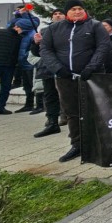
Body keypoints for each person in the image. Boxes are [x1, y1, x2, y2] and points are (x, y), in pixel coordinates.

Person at [40, 0, 110, 162]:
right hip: (65, 77)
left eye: (80, 8)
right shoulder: (54, 29)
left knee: (95, 110)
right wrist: (58, 68)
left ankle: (98, 143)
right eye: (73, 9)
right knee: (72, 111)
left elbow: (103, 47)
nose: (77, 11)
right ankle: (77, 144)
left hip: (91, 76)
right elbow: (46, 49)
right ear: (66, 13)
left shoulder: (95, 26)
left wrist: (91, 67)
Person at [31, 9, 66, 138]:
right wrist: (36, 43)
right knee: (50, 96)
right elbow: (36, 52)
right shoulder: (44, 31)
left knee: (66, 96)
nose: (57, 15)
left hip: (64, 68)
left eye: (60, 13)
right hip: (48, 69)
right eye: (55, 14)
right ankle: (52, 122)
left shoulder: (71, 29)